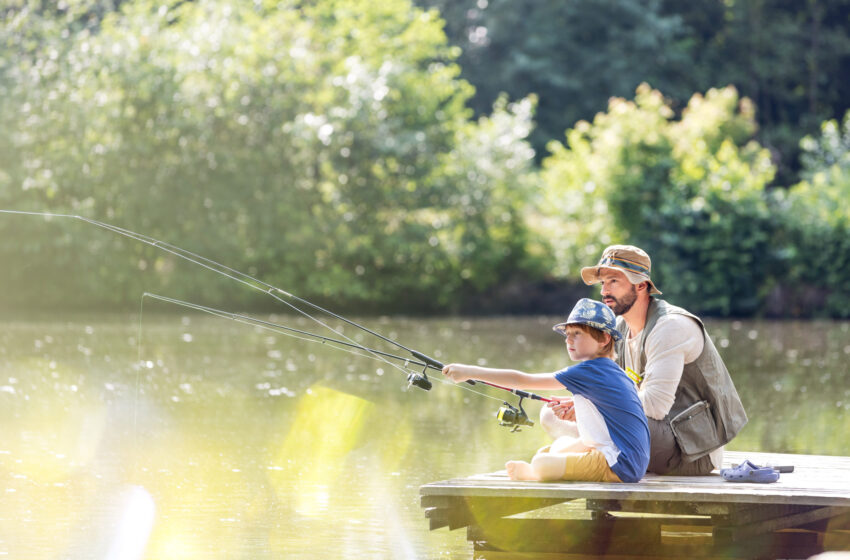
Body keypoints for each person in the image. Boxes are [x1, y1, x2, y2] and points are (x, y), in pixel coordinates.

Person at [543, 245, 748, 476]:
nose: (604, 292)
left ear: (641, 285)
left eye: (614, 281)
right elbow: (613, 389)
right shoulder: (618, 329)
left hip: (691, 451)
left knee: (594, 415)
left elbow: (655, 406)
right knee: (550, 415)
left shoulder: (670, 327)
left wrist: (595, 404)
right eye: (603, 283)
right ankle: (585, 456)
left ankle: (575, 457)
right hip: (647, 434)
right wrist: (584, 401)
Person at [442, 299, 649, 484]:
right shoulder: (609, 369)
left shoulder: (589, 369)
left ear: (604, 339)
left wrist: (470, 372)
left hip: (619, 465)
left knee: (542, 462)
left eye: (577, 334)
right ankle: (542, 466)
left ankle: (534, 473)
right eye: (567, 334)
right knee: (557, 447)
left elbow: (522, 380)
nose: (568, 340)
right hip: (625, 458)